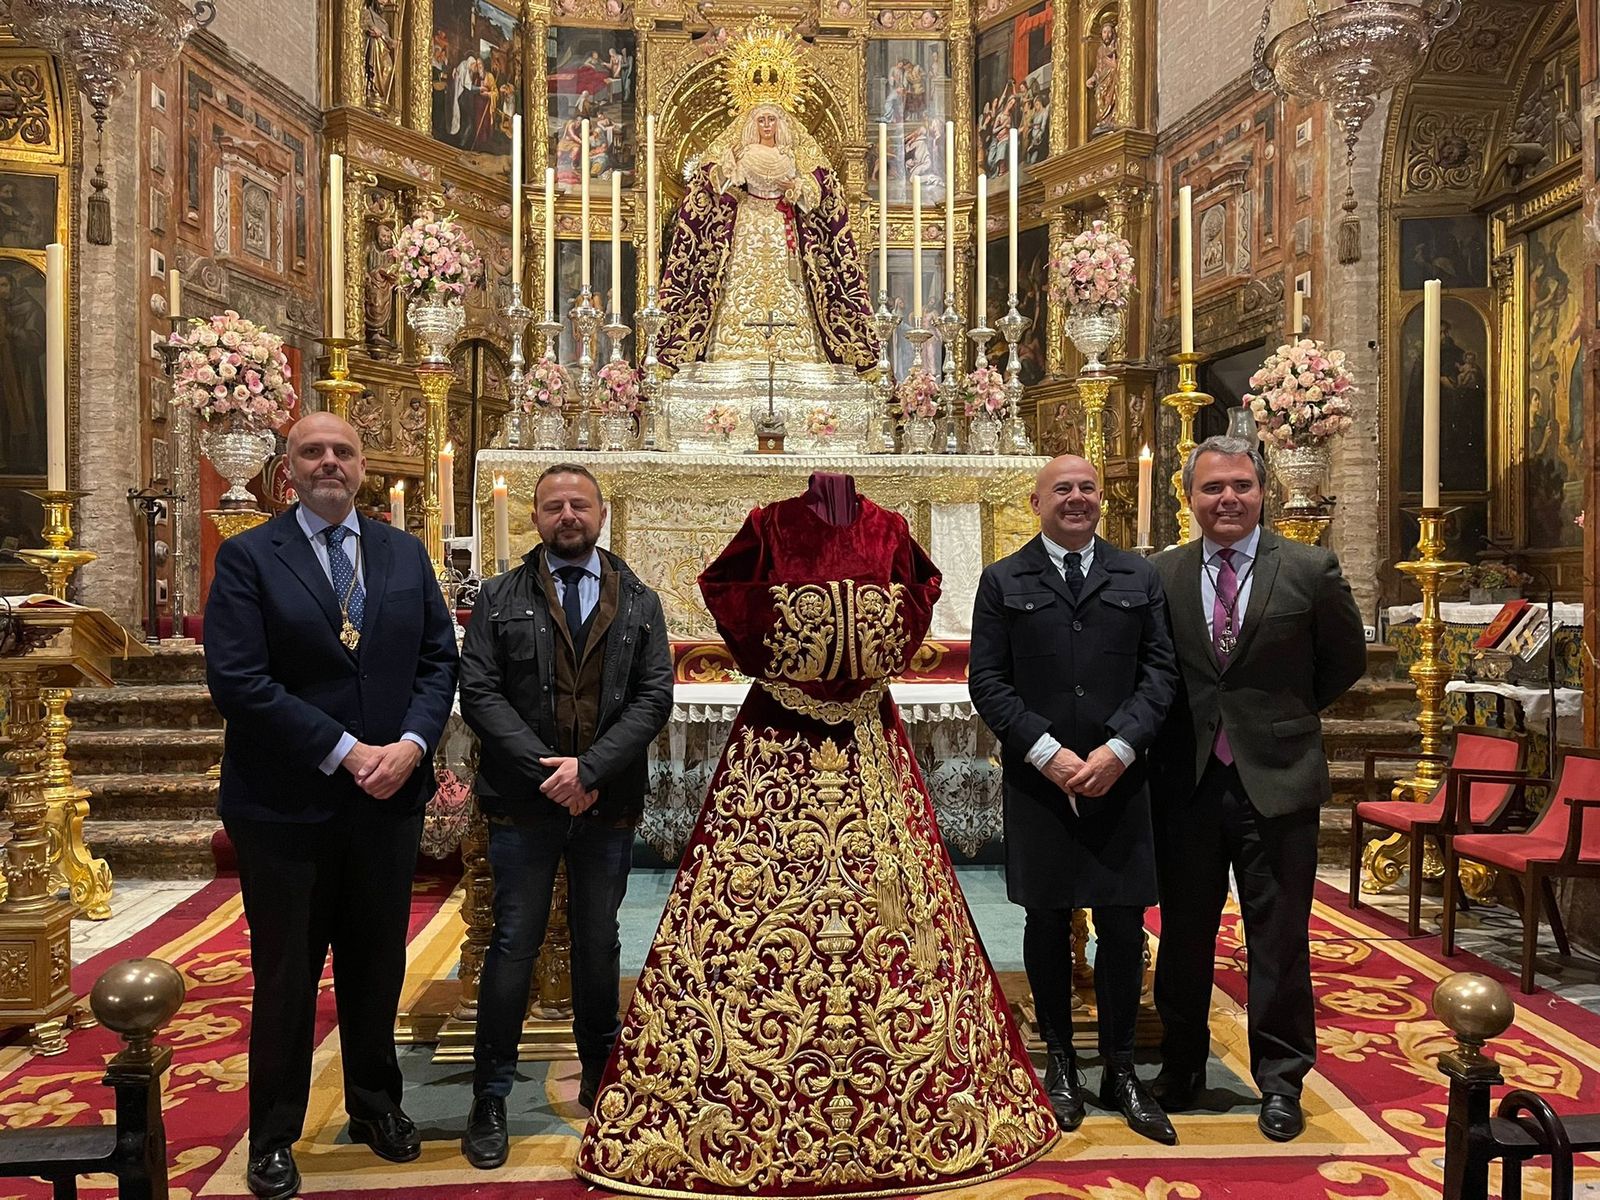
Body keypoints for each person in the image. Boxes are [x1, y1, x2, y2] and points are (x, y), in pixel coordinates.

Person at [575, 473, 1059, 1197]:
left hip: (866, 733)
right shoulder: (770, 524)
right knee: (751, 904)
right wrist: (791, 643)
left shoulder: (889, 528)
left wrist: (864, 642)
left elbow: (920, 592)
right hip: (779, 734)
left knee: (892, 913)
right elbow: (723, 588)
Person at [205, 412, 459, 1200]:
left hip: (387, 797)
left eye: (342, 451)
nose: (328, 463)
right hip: (285, 802)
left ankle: (376, 1106)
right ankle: (273, 1134)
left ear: (362, 467)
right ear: (287, 470)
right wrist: (347, 751)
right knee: (287, 972)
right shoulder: (250, 556)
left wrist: (412, 744)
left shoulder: (402, 553)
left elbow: (437, 660)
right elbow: (239, 681)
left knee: (376, 962)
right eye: (311, 451)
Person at [1149, 435, 1367, 1142]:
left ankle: (1280, 1080)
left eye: (1241, 485)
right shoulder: (1162, 573)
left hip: (1278, 779)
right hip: (1187, 782)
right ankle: (1182, 1064)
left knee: (1278, 938)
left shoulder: (1309, 568)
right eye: (1212, 487)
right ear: (1190, 497)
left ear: (1264, 491)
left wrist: (1277, 722)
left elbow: (1343, 660)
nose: (1228, 499)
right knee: (1184, 933)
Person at [457, 463, 673, 1170]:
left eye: (580, 504)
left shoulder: (638, 598)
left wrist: (592, 769)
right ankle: (490, 1094)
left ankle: (602, 1080)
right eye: (554, 506)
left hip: (605, 800)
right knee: (513, 942)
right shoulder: (499, 596)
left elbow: (654, 695)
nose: (568, 515)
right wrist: (549, 772)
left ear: (601, 514)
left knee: (598, 940)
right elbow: (480, 691)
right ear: (535, 518)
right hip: (525, 802)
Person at [969, 455, 1179, 1144]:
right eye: (1062, 488)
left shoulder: (1138, 575)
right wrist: (1046, 752)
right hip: (1042, 784)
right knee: (1047, 919)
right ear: (1036, 503)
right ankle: (1060, 1061)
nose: (1077, 497)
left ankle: (1121, 1068)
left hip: (1122, 779)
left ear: (1101, 499)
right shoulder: (1004, 580)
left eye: (1088, 487)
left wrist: (1120, 748)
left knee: (1122, 924)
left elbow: (1160, 673)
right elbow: (988, 680)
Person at [656, 102, 876, 372]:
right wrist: (728, 164)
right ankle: (731, 351)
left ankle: (796, 352)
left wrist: (796, 188)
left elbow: (820, 184)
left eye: (772, 120)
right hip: (748, 222)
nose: (767, 125)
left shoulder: (793, 152)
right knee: (742, 277)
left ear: (780, 123)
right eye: (761, 120)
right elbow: (716, 183)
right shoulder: (744, 151)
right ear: (753, 125)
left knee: (789, 282)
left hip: (782, 223)